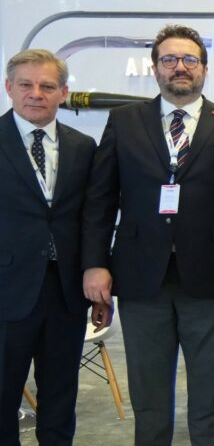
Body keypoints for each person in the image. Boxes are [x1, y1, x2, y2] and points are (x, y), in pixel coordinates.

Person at [81, 24, 214, 446]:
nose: (179, 67)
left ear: (204, 68)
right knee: (148, 395)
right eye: (169, 59)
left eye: (189, 59)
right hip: (139, 277)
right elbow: (100, 200)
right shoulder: (124, 122)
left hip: (212, 278)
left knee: (209, 393)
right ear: (155, 68)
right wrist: (95, 264)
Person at [0, 49, 108, 445]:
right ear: (9, 88)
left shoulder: (83, 147)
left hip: (66, 292)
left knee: (60, 400)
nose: (36, 94)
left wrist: (98, 280)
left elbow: (94, 218)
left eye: (47, 86)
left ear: (63, 92)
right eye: (26, 85)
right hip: (6, 291)